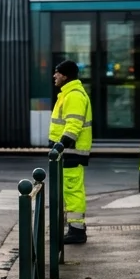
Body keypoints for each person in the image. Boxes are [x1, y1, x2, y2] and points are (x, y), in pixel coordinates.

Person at [49, 60, 93, 244]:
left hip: (71, 151)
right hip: (67, 151)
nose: (54, 76)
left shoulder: (74, 95)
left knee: (72, 190)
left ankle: (77, 231)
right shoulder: (68, 94)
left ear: (65, 76)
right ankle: (75, 228)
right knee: (69, 190)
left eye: (57, 72)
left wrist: (60, 145)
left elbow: (73, 125)